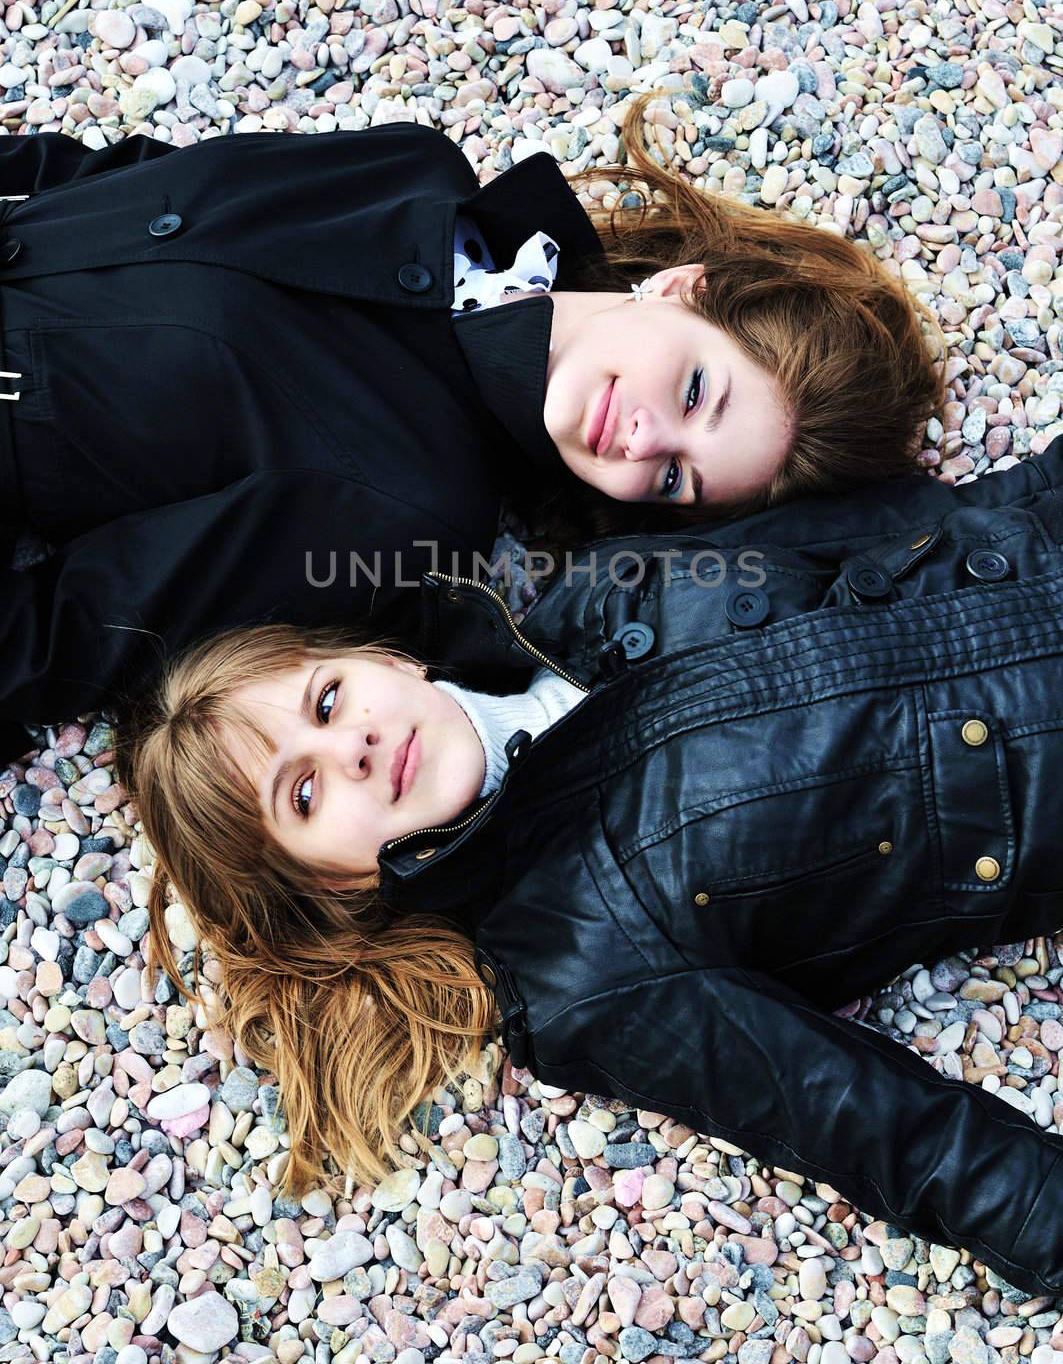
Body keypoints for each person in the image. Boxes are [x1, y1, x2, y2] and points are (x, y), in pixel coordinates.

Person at [117, 437, 1063, 1300]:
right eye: (306, 795)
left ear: (384, 659)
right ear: (330, 883)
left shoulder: (599, 589)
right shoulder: (576, 961)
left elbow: (912, 521)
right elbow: (891, 1132)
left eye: (327, 701)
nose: (352, 749)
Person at [0, 85, 945, 757]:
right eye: (696, 393)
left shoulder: (400, 507)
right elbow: (111, 179)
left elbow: (56, 638)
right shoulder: (413, 170)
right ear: (681, 289)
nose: (645, 440)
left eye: (673, 479)